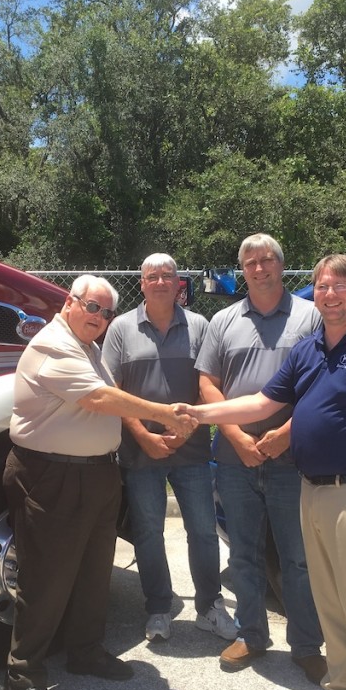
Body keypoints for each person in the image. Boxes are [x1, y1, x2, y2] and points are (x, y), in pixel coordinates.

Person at [183, 254, 346, 690]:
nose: (330, 295)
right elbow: (261, 403)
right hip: (311, 492)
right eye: (322, 287)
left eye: (340, 287)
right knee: (331, 605)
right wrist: (196, 414)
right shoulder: (310, 349)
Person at [2, 275, 198, 690]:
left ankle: (85, 651)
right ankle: (21, 674)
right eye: (92, 307)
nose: (100, 318)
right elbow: (96, 397)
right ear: (69, 302)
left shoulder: (87, 347)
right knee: (46, 578)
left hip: (95, 475)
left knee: (93, 573)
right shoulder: (54, 343)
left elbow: (104, 398)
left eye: (107, 312)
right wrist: (163, 413)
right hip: (52, 475)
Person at [194, 233, 327, 684]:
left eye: (266, 260)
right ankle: (251, 636)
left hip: (294, 456)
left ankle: (307, 645)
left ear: (281, 264)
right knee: (245, 555)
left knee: (299, 559)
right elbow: (207, 384)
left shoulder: (311, 316)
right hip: (234, 458)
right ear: (242, 270)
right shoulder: (224, 320)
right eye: (249, 262)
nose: (258, 268)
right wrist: (233, 436)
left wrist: (284, 436)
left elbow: (325, 383)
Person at [102, 253, 237, 644]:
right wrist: (143, 435)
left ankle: (209, 607)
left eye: (167, 275)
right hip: (140, 452)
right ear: (141, 283)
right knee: (148, 533)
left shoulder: (199, 326)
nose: (160, 282)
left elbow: (209, 387)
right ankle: (158, 608)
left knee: (203, 533)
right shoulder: (121, 329)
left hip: (192, 450)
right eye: (152, 276)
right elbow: (113, 393)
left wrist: (184, 431)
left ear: (179, 283)